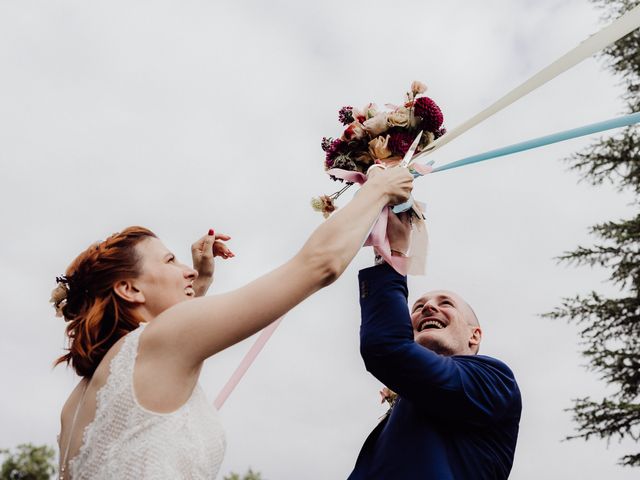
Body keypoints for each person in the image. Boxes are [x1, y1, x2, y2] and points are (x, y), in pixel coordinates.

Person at [52, 166, 414, 480]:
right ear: (129, 289)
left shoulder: (79, 400)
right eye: (169, 261)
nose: (188, 270)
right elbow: (318, 265)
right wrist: (377, 189)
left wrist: (201, 284)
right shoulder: (162, 341)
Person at [348, 210, 522, 479]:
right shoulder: (408, 398)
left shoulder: (495, 380)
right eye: (418, 307)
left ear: (474, 336)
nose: (428, 307)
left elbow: (388, 348)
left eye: (446, 303)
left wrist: (392, 251)